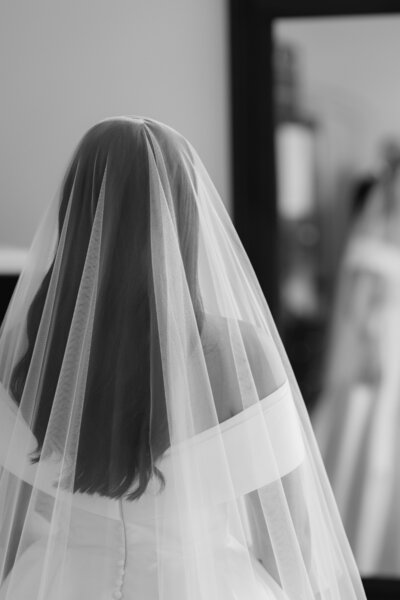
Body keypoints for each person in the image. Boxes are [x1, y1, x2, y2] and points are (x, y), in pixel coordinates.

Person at [0, 117, 365, 599]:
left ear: (76, 212)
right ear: (185, 216)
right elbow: (289, 541)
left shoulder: (26, 350)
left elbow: (9, 527)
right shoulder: (238, 355)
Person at [313, 143, 400, 576]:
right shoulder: (371, 237)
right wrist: (370, 352)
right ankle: (358, 545)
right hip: (379, 348)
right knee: (373, 443)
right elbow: (358, 308)